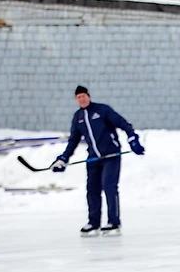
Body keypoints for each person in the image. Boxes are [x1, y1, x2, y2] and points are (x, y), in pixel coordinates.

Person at [51, 85, 145, 237]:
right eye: (78, 97)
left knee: (109, 186)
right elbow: (73, 140)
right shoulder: (78, 117)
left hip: (111, 155)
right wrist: (64, 158)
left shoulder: (102, 110)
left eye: (83, 96)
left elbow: (124, 124)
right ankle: (93, 223)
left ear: (89, 96)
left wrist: (133, 139)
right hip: (93, 158)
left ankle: (114, 222)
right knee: (92, 189)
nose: (82, 99)